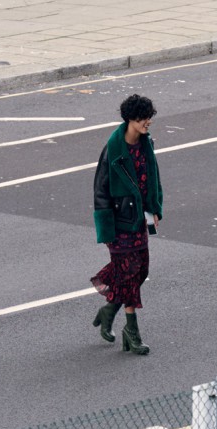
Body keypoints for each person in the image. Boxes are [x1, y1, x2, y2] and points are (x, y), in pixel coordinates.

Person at [90, 94, 162, 355]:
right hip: (119, 223)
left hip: (139, 219)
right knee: (129, 274)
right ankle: (131, 332)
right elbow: (100, 191)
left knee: (140, 270)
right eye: (144, 118)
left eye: (149, 118)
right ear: (131, 119)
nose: (148, 122)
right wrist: (106, 230)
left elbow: (153, 177)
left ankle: (108, 310)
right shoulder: (113, 149)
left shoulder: (146, 144)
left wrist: (155, 207)